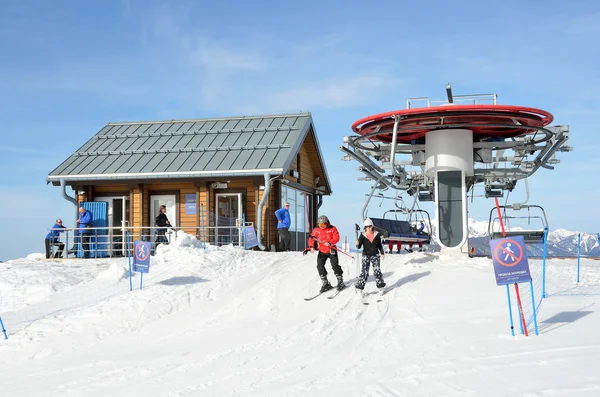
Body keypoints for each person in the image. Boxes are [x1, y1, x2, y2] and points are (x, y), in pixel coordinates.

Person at [308, 215, 344, 292]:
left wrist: (330, 242)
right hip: (322, 250)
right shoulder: (317, 230)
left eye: (323, 225)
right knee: (319, 266)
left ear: (327, 223)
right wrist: (311, 246)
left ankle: (340, 280)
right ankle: (325, 283)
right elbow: (311, 238)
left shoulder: (332, 228)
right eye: (320, 225)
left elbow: (337, 238)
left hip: (331, 249)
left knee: (334, 265)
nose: (322, 226)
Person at [355, 218, 386, 294]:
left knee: (377, 271)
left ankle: (381, 287)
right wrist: (357, 243)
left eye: (370, 226)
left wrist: (382, 253)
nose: (368, 228)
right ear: (364, 227)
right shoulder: (362, 235)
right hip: (366, 255)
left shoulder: (376, 234)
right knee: (364, 272)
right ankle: (359, 288)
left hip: (375, 255)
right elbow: (359, 247)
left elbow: (379, 245)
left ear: (372, 226)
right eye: (366, 227)